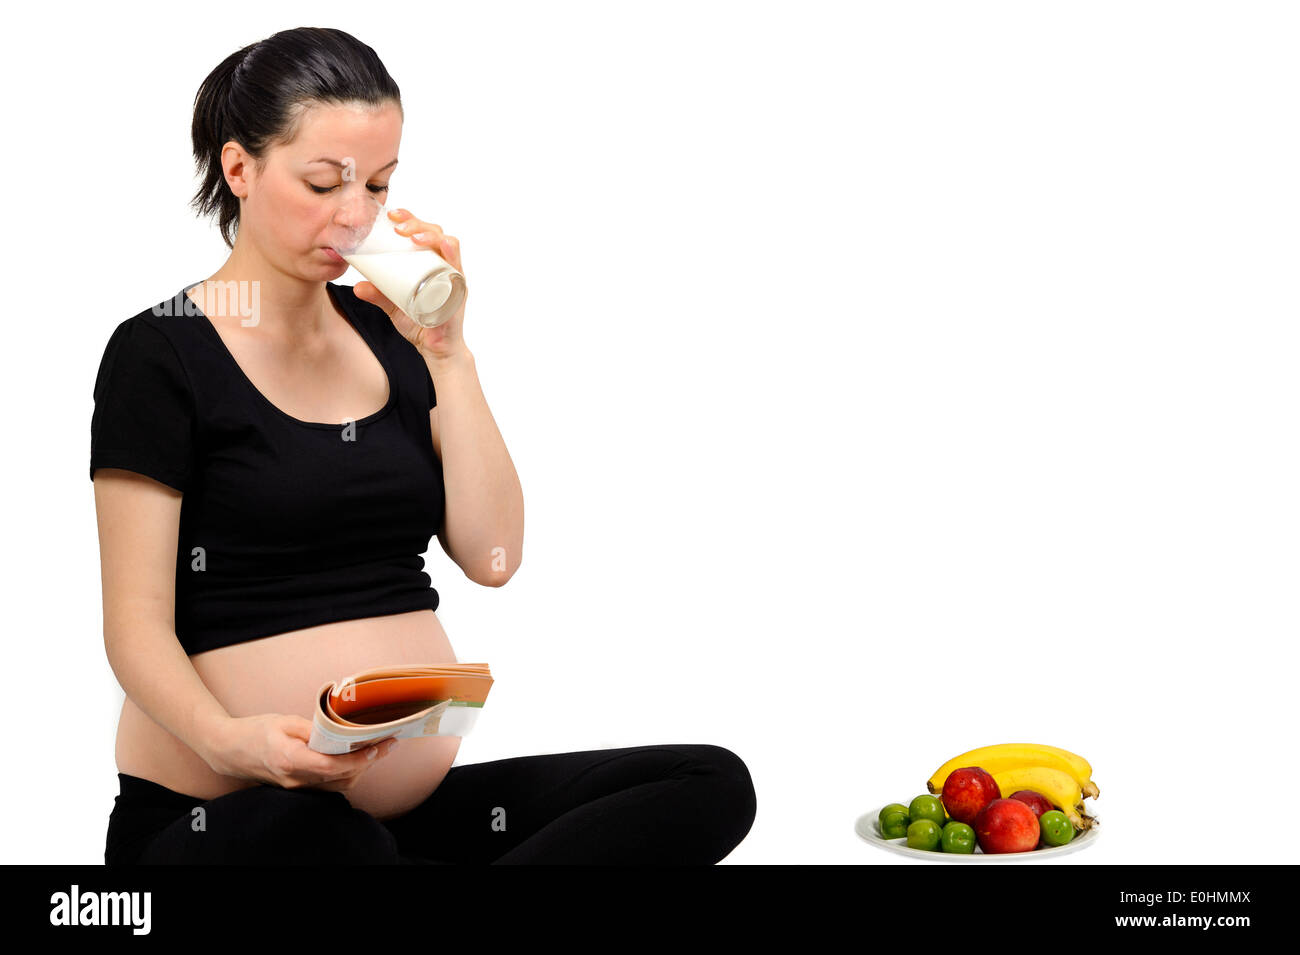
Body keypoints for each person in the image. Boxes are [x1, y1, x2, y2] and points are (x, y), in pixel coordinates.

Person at [92, 27, 756, 865]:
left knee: (707, 782)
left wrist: (451, 354)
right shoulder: (161, 352)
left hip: (396, 823)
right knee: (338, 843)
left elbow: (494, 555)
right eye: (324, 182)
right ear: (240, 170)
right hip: (223, 817)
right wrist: (233, 741)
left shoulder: (395, 339)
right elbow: (135, 628)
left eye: (377, 183)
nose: (356, 215)